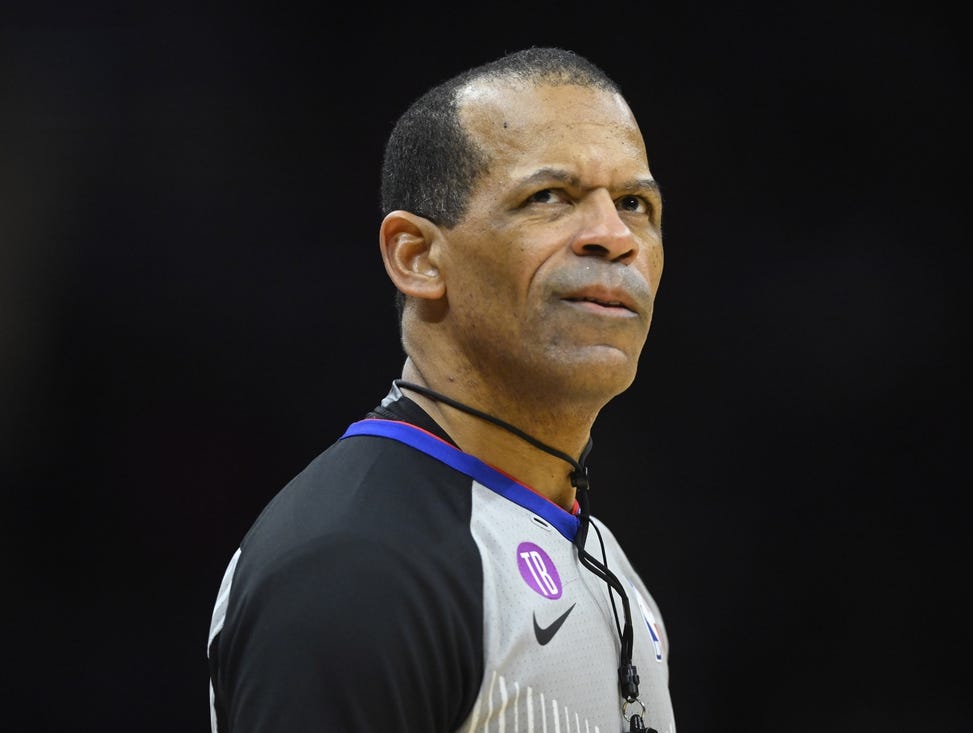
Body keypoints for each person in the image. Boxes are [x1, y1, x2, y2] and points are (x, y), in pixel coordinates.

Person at [206, 46, 674, 732]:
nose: (614, 236)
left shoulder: (597, 551)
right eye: (550, 197)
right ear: (418, 257)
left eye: (635, 203)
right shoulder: (354, 564)